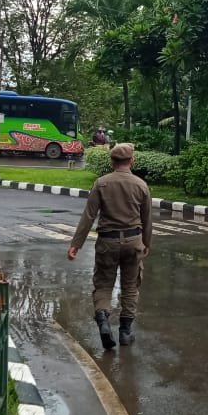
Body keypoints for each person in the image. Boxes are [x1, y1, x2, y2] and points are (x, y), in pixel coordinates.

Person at [67, 143, 152, 349]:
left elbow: (89, 216)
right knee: (130, 286)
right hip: (133, 242)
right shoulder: (141, 185)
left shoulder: (101, 183)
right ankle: (125, 332)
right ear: (132, 161)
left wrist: (76, 244)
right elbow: (147, 219)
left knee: (104, 285)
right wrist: (146, 244)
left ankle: (103, 320)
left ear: (112, 161)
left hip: (107, 242)